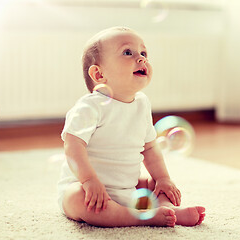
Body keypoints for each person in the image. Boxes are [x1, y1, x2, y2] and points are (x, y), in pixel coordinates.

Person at [57, 26, 205, 227]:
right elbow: (73, 146)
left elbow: (150, 147)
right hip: (89, 190)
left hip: (127, 188)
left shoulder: (142, 104)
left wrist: (163, 178)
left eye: (143, 53)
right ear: (99, 75)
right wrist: (89, 181)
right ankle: (137, 217)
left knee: (154, 183)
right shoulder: (89, 107)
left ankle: (168, 209)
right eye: (128, 52)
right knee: (75, 197)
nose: (141, 58)